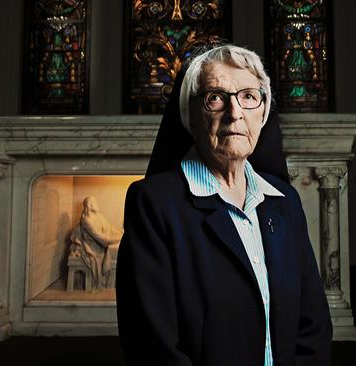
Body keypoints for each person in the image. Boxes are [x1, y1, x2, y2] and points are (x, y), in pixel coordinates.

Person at [116, 44, 332, 366]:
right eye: (216, 98)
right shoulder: (154, 206)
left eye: (248, 96)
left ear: (263, 111)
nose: (235, 113)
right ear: (191, 116)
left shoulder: (284, 202)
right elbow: (152, 345)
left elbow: (313, 323)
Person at [69, 196, 123, 289]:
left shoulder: (98, 216)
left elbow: (109, 227)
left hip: (99, 243)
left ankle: (110, 283)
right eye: (94, 202)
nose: (96, 204)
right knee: (105, 257)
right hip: (92, 247)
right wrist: (118, 238)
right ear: (90, 205)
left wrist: (120, 233)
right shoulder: (86, 220)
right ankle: (103, 283)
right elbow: (101, 239)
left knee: (114, 254)